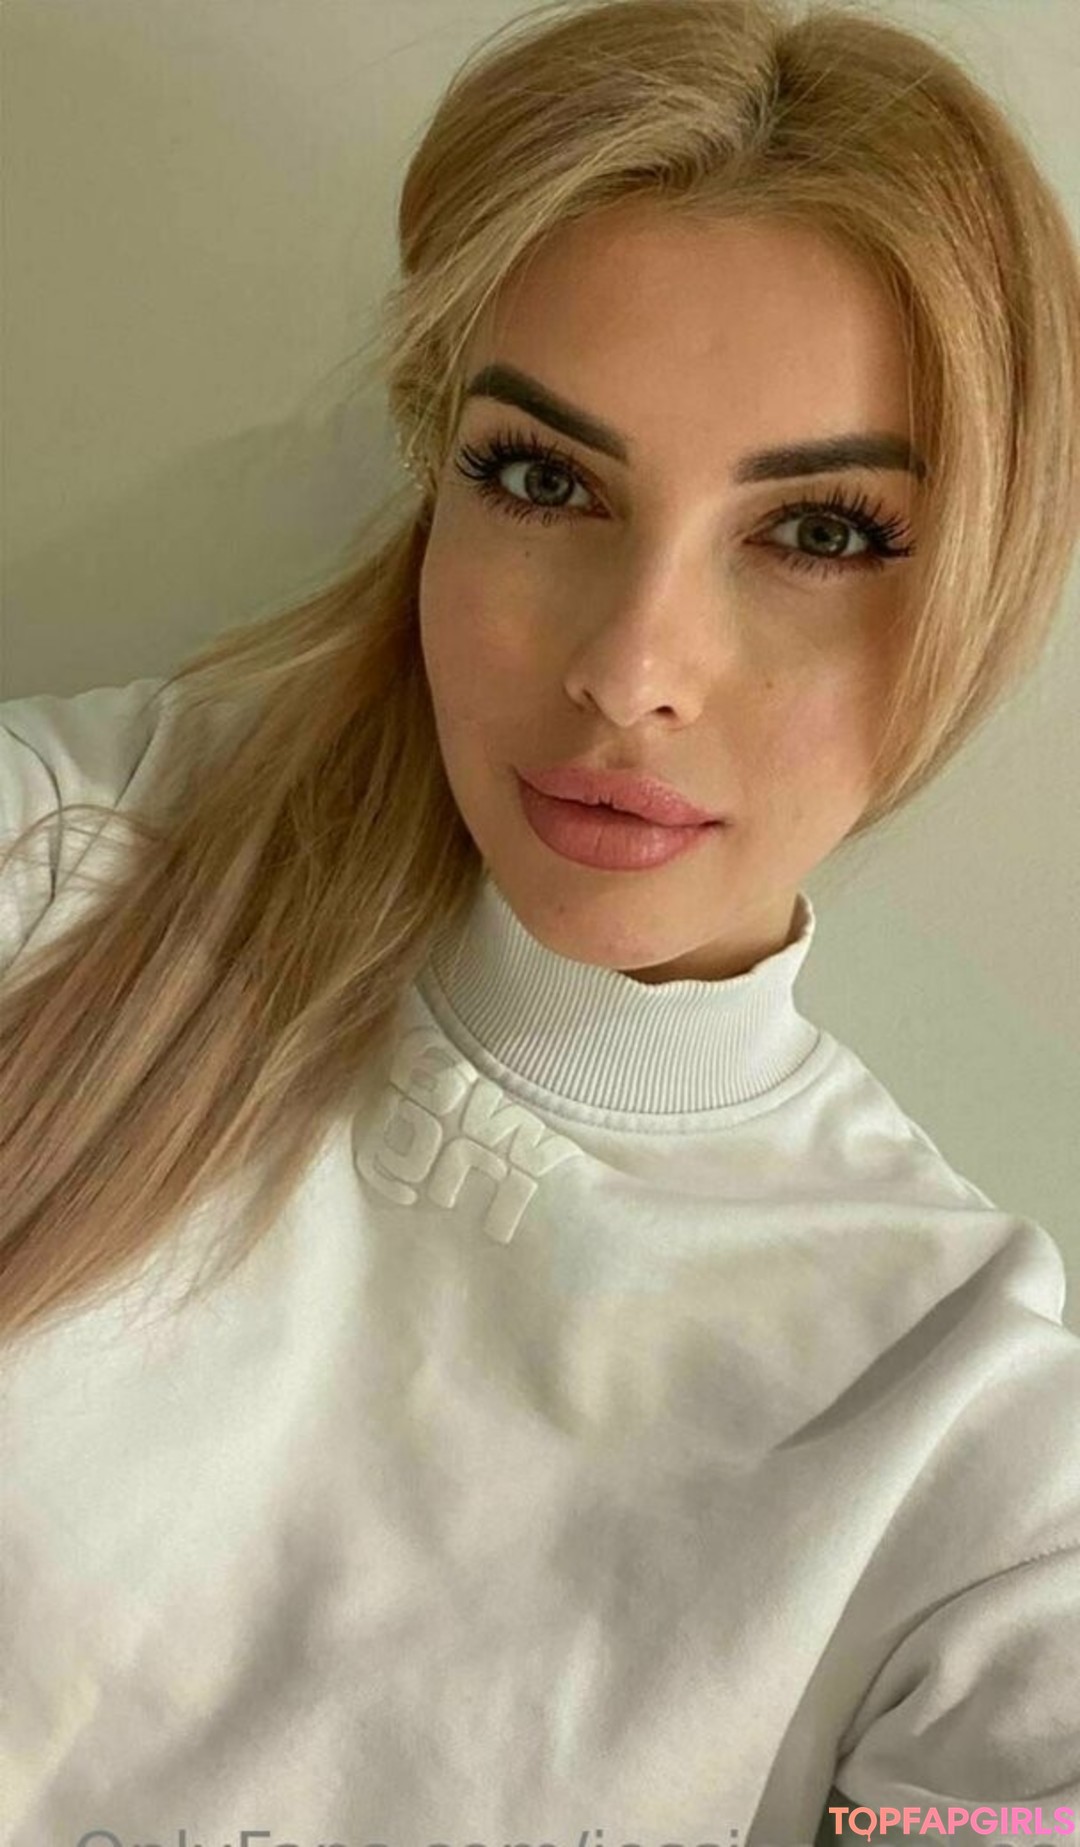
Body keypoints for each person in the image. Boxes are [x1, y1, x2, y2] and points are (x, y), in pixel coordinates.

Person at [1, 0, 1078, 1842]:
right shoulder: (57, 868)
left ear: (983, 586)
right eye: (543, 480)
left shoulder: (970, 1445)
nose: (632, 669)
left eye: (821, 532)